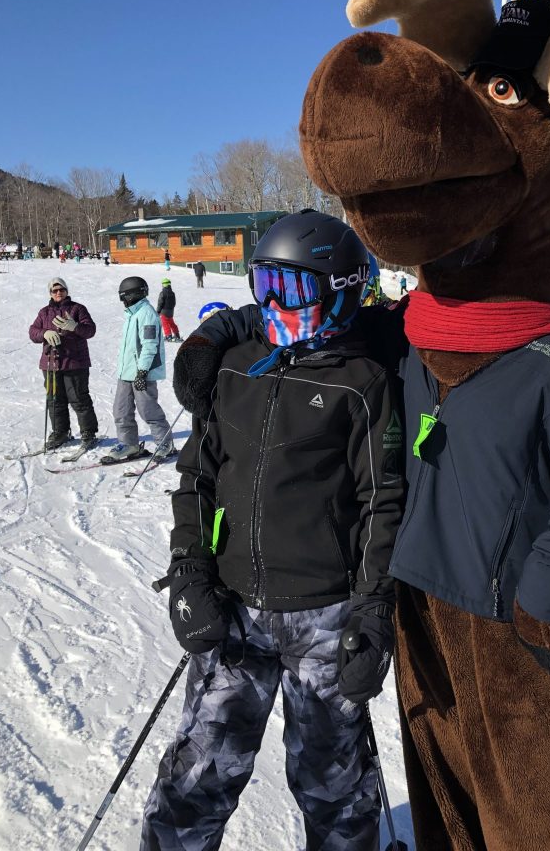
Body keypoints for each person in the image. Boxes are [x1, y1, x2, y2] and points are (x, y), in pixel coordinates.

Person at [140, 210, 403, 851]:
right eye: (264, 285)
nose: (273, 305)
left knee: (333, 785)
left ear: (340, 290)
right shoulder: (235, 368)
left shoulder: (362, 382)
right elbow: (197, 479)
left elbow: (383, 503)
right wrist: (191, 571)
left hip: (323, 618)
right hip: (232, 609)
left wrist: (374, 612)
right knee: (197, 774)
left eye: (293, 289)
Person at [104, 277, 174, 464]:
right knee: (121, 411)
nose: (123, 301)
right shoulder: (132, 313)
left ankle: (165, 444)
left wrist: (142, 372)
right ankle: (129, 444)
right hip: (125, 374)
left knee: (148, 410)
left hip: (142, 373)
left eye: (124, 297)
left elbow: (149, 345)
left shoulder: (146, 313)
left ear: (132, 295)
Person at [28, 278, 99, 449]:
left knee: (78, 398)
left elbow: (90, 330)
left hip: (75, 362)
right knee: (54, 399)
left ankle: (88, 432)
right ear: (50, 293)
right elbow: (33, 331)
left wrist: (74, 326)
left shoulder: (77, 309)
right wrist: (44, 333)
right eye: (55, 290)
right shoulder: (44, 312)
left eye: (61, 289)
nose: (58, 293)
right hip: (51, 363)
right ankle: (61, 432)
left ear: (66, 291)